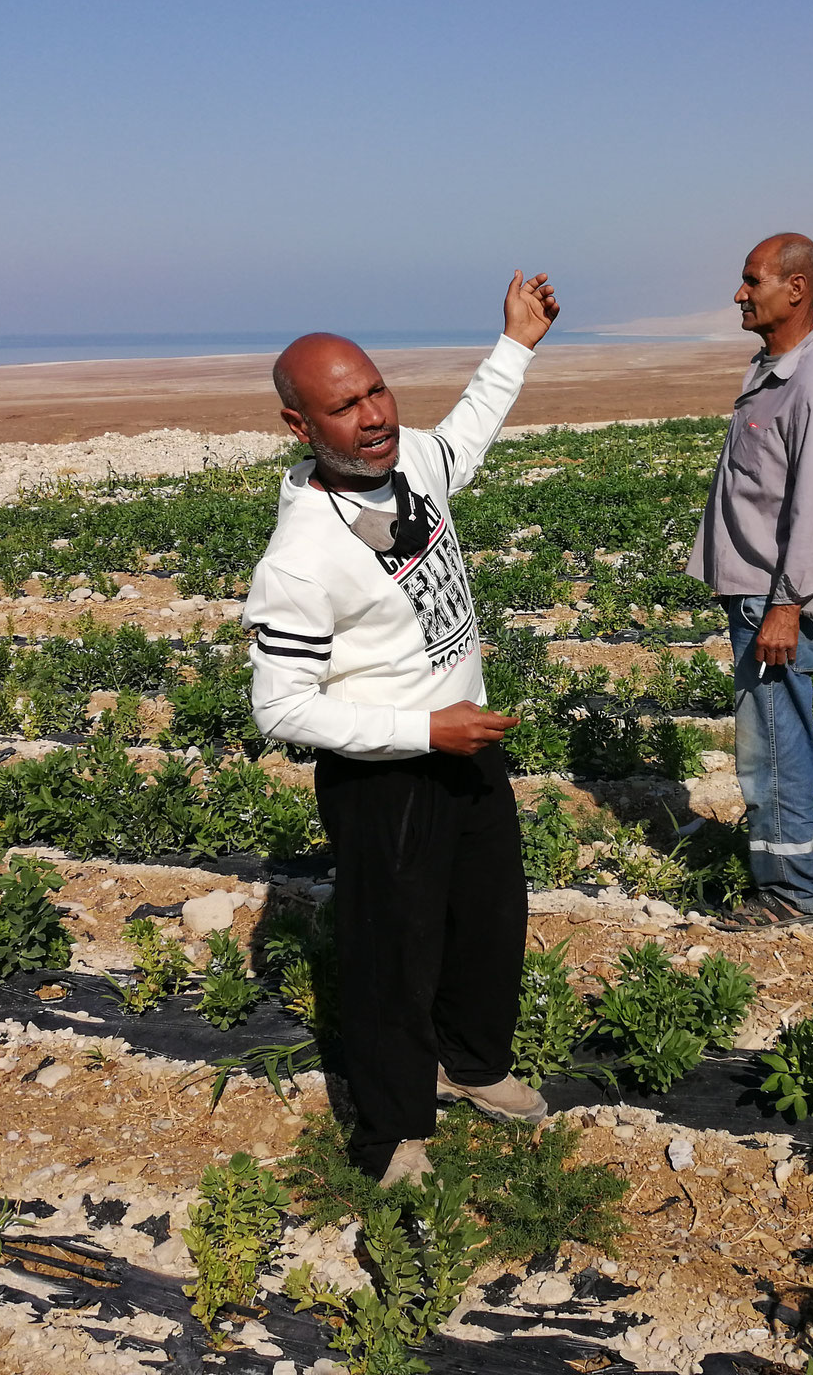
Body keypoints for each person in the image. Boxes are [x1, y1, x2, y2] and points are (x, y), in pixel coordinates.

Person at [243, 271, 561, 1186]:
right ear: (301, 429)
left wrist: (515, 344)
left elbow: (462, 440)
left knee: (490, 921)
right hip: (386, 775)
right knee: (392, 952)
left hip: (466, 744)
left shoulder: (409, 460)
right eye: (344, 407)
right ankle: (391, 1131)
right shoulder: (301, 559)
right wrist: (426, 730)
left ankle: (475, 1067)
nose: (374, 415)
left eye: (377, 389)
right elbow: (283, 708)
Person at [687, 233, 813, 929]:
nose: (740, 292)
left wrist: (786, 606)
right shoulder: (771, 372)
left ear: (794, 289)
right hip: (757, 593)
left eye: (751, 280)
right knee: (783, 729)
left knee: (771, 743)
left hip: (773, 598)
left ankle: (790, 892)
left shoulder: (811, 388)